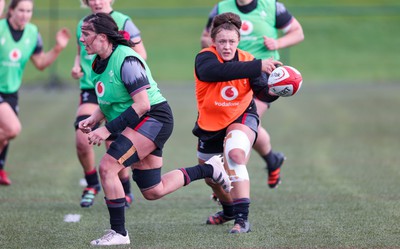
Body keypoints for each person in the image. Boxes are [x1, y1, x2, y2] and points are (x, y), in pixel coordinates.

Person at [77, 12, 231, 246]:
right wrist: (93, 118)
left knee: (108, 167)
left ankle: (119, 233)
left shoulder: (127, 60)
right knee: (153, 190)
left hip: (153, 118)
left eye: (86, 34)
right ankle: (210, 169)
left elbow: (142, 105)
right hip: (140, 120)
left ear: (102, 37)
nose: (81, 39)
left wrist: (107, 130)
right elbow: (111, 100)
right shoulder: (97, 61)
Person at [201, 0, 304, 190]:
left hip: (261, 76)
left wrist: (277, 42)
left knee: (240, 127)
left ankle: (231, 182)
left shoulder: (272, 7)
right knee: (248, 125)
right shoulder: (222, 7)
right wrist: (219, 48)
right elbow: (206, 37)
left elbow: (298, 32)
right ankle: (272, 159)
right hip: (229, 76)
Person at [194, 12, 282, 233]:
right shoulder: (205, 58)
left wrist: (277, 88)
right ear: (213, 42)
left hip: (242, 116)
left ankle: (242, 220)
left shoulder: (248, 60)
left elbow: (262, 91)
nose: (227, 46)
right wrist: (258, 66)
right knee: (211, 176)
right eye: (222, 41)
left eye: (232, 41)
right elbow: (214, 72)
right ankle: (229, 210)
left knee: (235, 155)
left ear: (238, 41)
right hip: (210, 124)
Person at [71, 0, 147, 208]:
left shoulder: (124, 22)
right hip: (92, 88)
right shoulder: (83, 24)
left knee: (113, 145)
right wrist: (76, 66)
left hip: (116, 89)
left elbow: (141, 55)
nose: (96, 1)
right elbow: (80, 53)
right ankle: (92, 184)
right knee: (81, 136)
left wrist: (119, 68)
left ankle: (125, 190)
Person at [0, 0, 70, 185]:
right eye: (21, 10)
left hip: (11, 91)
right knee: (12, 129)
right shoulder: (1, 28)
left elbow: (40, 63)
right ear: (11, 11)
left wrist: (58, 48)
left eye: (29, 11)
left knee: (5, 135)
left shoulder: (33, 33)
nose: (25, 14)